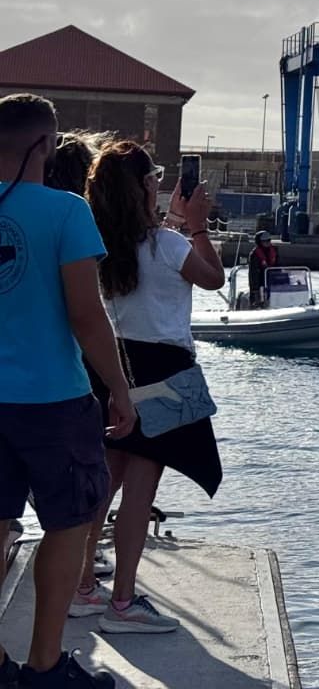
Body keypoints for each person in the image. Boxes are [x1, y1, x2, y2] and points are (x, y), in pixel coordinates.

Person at [0, 96, 133, 687]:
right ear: (46, 145)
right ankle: (44, 668)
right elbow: (86, 314)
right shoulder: (66, 211)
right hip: (53, 399)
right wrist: (119, 388)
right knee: (65, 525)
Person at [78, 139, 225, 639]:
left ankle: (82, 587)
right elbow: (214, 278)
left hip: (112, 365)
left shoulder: (99, 244)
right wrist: (197, 224)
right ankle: (122, 603)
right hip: (165, 366)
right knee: (140, 491)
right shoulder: (169, 244)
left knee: (108, 479)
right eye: (154, 177)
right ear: (145, 186)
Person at [246, 230, 277, 308]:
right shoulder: (254, 254)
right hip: (259, 282)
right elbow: (253, 273)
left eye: (268, 240)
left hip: (272, 281)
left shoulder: (274, 251)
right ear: (259, 242)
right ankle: (256, 305)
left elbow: (279, 265)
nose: (267, 242)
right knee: (258, 300)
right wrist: (255, 289)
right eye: (264, 241)